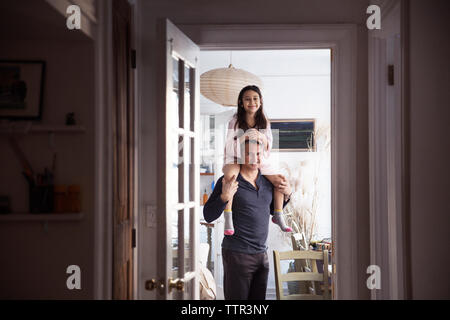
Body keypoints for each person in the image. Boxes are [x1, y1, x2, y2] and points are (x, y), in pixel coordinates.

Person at [203, 137, 292, 300]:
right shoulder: (229, 180)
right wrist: (224, 197)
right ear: (240, 155)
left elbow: (272, 211)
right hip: (237, 255)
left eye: (258, 154)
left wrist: (287, 194)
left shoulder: (267, 181)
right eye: (248, 154)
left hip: (261, 255)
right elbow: (208, 215)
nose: (254, 158)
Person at [222, 85, 292, 235]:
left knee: (279, 179)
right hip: (235, 157)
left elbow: (269, 146)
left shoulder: (264, 121)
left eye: (255, 99)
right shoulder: (234, 121)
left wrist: (260, 136)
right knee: (230, 177)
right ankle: (228, 216)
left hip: (258, 157)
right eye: (247, 99)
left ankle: (278, 214)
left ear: (260, 101)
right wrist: (245, 137)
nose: (251, 102)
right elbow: (229, 144)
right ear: (241, 102)